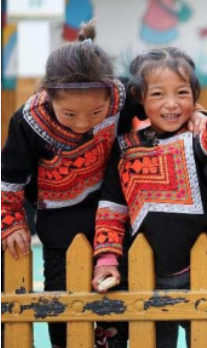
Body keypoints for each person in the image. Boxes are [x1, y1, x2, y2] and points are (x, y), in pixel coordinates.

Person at [91, 47, 207, 348]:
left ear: (194, 96)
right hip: (148, 268)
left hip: (204, 263)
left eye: (182, 93)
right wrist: (106, 257)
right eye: (158, 94)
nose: (171, 104)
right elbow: (112, 207)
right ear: (139, 97)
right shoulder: (125, 147)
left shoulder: (197, 137)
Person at [1, 25, 132, 348]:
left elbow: (162, 106)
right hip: (59, 222)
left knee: (117, 308)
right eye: (69, 114)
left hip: (114, 214)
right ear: (48, 95)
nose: (83, 123)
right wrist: (12, 221)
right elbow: (11, 177)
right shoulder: (27, 121)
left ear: (110, 93)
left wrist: (199, 115)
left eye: (96, 112)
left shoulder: (123, 96)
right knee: (63, 304)